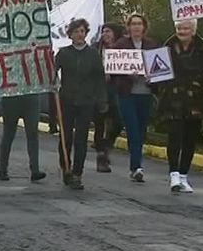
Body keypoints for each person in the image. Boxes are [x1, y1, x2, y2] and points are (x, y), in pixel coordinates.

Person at [158, 19, 203, 193]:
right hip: (173, 96)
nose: (182, 31)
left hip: (194, 98)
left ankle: (183, 175)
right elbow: (158, 71)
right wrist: (152, 79)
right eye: (179, 28)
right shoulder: (166, 48)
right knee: (174, 135)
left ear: (193, 30)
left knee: (190, 138)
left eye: (185, 28)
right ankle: (173, 173)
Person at [55, 19, 107, 189]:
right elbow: (52, 72)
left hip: (86, 101)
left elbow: (99, 78)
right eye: (76, 31)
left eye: (82, 31)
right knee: (66, 137)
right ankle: (66, 168)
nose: (80, 34)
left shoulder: (92, 54)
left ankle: (77, 173)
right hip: (67, 100)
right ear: (70, 34)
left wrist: (101, 100)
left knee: (81, 139)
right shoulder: (63, 53)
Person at [113, 14, 158, 183]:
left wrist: (152, 77)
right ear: (129, 27)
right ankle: (136, 167)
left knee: (141, 130)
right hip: (127, 94)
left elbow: (160, 68)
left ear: (144, 27)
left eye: (140, 24)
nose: (137, 27)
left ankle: (136, 165)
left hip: (145, 93)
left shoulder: (151, 45)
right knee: (133, 130)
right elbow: (112, 70)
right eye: (134, 24)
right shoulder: (120, 45)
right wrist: (127, 73)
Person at [92, 22, 124, 173]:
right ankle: (100, 155)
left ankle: (107, 145)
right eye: (103, 31)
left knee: (118, 120)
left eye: (109, 31)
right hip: (99, 89)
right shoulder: (95, 48)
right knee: (99, 121)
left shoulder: (123, 48)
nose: (105, 34)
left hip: (117, 88)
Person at [0, 94, 47, 182]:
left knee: (33, 133)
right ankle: (3, 169)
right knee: (9, 133)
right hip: (12, 95)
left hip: (30, 95)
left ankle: (35, 169)